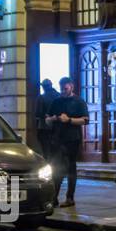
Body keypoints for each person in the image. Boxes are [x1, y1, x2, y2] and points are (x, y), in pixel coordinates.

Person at [45, 77, 87, 207]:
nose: (63, 91)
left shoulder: (79, 101)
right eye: (61, 88)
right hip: (57, 138)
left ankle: (70, 197)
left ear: (71, 87)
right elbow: (46, 118)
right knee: (56, 168)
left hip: (72, 139)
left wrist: (69, 120)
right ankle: (54, 197)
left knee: (70, 168)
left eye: (66, 88)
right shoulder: (56, 101)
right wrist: (52, 119)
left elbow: (85, 120)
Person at [37, 79, 59, 159]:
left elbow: (38, 113)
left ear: (43, 87)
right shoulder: (59, 95)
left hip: (44, 127)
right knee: (56, 151)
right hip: (58, 127)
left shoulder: (41, 97)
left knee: (45, 150)